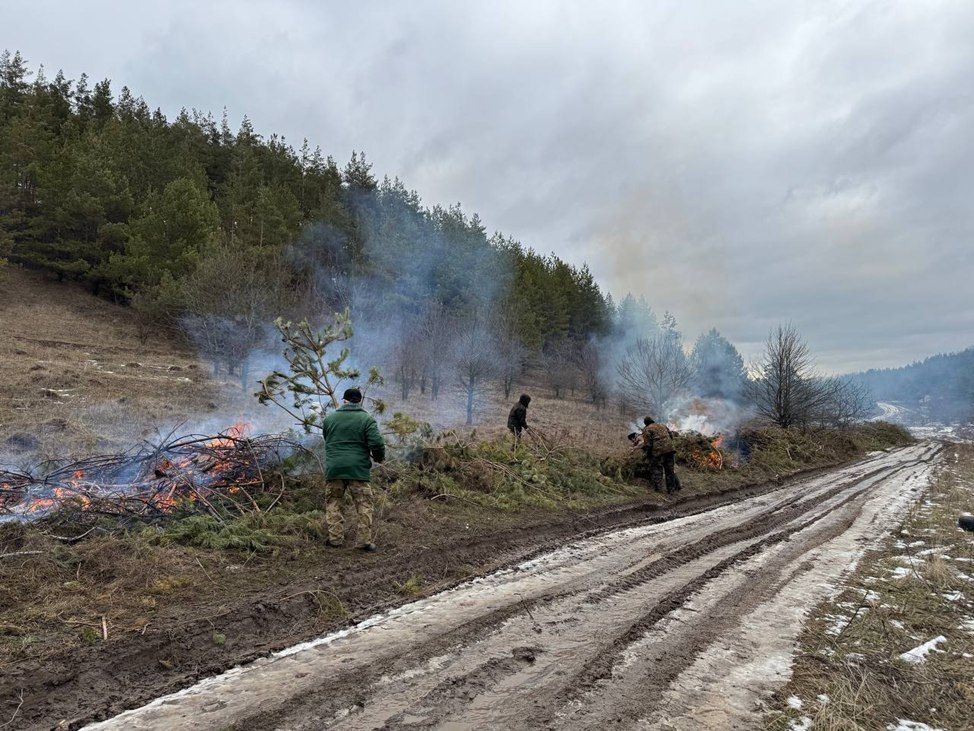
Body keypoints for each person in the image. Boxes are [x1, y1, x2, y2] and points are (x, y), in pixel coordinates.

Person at [322, 387, 386, 551]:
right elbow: (377, 443)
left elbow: (327, 439)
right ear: (359, 401)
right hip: (358, 470)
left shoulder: (329, 419)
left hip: (334, 468)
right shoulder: (366, 419)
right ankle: (363, 542)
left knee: (333, 502)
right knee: (364, 504)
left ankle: (335, 540)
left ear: (344, 400)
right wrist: (378, 457)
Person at [641, 416, 681, 493]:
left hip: (658, 452)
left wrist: (647, 454)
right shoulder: (662, 425)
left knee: (657, 470)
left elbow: (648, 444)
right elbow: (671, 436)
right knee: (670, 470)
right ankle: (671, 490)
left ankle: (659, 490)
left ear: (646, 424)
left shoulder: (647, 429)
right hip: (670, 450)